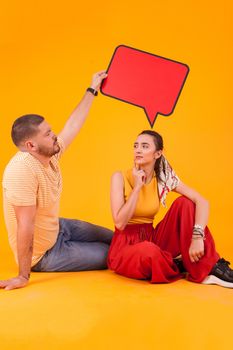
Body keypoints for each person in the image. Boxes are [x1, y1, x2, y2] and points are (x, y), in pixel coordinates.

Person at [0, 71, 113, 291]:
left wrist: (92, 89)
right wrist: (23, 276)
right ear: (31, 146)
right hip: (45, 254)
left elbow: (72, 126)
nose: (54, 136)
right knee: (112, 254)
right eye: (48, 133)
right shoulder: (21, 170)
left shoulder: (49, 152)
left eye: (51, 130)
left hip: (59, 228)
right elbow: (25, 225)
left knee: (116, 238)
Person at [108, 130, 233, 288]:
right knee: (149, 251)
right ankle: (180, 263)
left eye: (145, 146)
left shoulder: (163, 177)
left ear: (157, 153)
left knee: (185, 203)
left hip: (152, 237)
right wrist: (138, 187)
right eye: (136, 145)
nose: (138, 150)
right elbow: (119, 223)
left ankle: (210, 267)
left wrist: (197, 236)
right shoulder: (119, 177)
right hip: (125, 247)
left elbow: (202, 201)